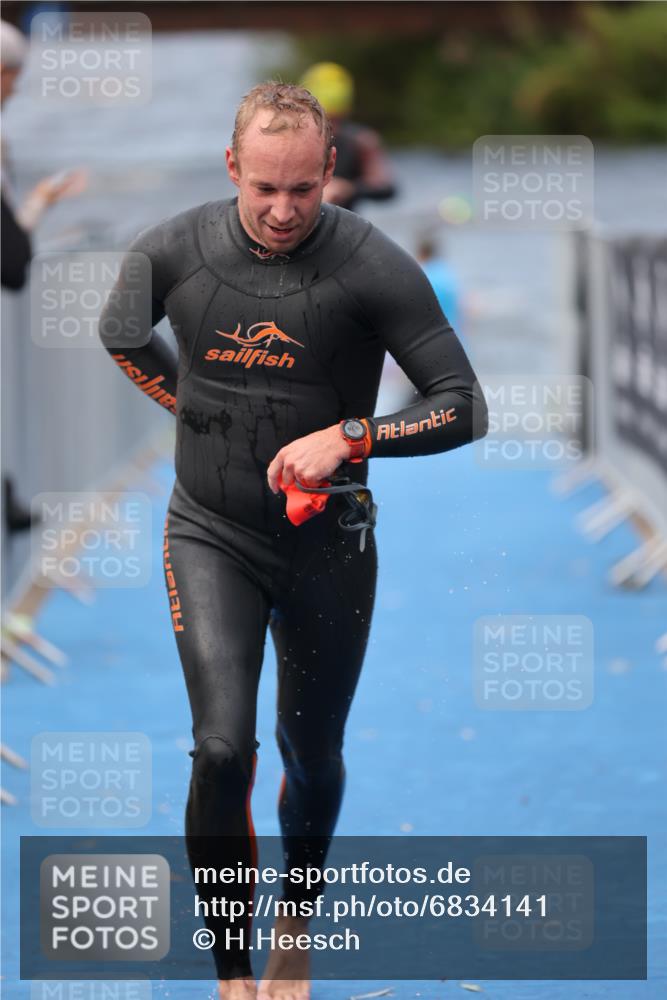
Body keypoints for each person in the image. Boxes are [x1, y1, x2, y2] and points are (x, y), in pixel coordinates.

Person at [99, 82, 487, 1000]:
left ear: (328, 174)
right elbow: (121, 332)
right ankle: (232, 977)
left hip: (328, 544)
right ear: (232, 167)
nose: (281, 211)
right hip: (209, 531)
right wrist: (193, 414)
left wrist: (350, 437)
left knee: (312, 750)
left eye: (302, 191)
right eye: (262, 188)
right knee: (222, 748)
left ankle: (294, 926)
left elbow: (464, 406)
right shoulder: (171, 248)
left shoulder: (372, 266)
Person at [299, 62, 396, 211]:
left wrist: (348, 188)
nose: (331, 130)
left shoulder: (361, 141)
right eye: (324, 120)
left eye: (336, 119)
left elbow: (385, 187)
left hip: (343, 226)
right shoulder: (293, 141)